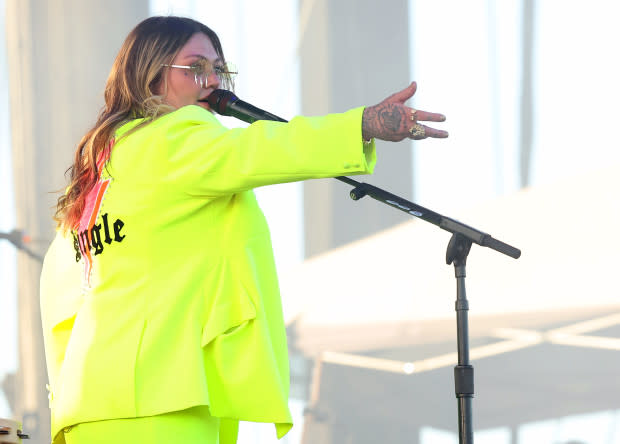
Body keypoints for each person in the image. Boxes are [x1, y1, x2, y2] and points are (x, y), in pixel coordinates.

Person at [39, 15, 448, 444]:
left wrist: (65, 404)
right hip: (160, 397)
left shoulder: (90, 180)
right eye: (196, 67)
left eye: (219, 68)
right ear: (150, 74)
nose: (214, 81)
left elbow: (59, 306)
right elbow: (259, 148)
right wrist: (360, 124)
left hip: (91, 406)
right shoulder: (173, 138)